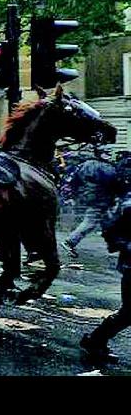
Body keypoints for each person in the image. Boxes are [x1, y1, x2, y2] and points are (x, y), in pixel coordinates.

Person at [80, 191, 131, 363]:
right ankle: (95, 341)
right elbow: (110, 228)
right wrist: (128, 246)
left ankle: (95, 341)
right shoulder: (127, 206)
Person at [64, 147, 122, 257]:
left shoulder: (85, 164)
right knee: (91, 221)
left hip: (87, 196)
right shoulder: (108, 168)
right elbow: (114, 184)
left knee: (107, 220)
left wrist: (76, 194)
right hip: (101, 198)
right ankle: (70, 241)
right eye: (108, 153)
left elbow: (75, 180)